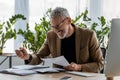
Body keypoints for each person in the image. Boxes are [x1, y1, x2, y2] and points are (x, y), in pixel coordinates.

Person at [15, 7, 104, 73]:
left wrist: (79, 67)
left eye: (58, 26)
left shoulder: (88, 35)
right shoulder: (51, 35)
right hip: (59, 77)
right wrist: (28, 57)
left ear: (68, 21)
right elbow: (39, 57)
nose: (56, 30)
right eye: (53, 27)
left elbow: (100, 64)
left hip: (82, 77)